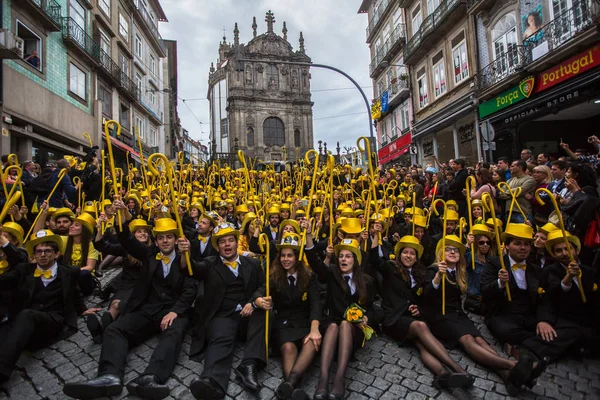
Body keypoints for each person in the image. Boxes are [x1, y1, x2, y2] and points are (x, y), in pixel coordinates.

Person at [63, 216, 198, 400]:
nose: (165, 241)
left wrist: (175, 311)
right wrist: (121, 215)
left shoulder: (186, 258)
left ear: (176, 239)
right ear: (156, 241)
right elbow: (127, 240)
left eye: (169, 237)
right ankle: (109, 376)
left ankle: (152, 377)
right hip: (147, 307)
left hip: (172, 309)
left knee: (174, 332)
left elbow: (191, 290)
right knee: (115, 330)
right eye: (161, 237)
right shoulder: (148, 253)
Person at [420, 234, 528, 395]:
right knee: (468, 340)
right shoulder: (433, 270)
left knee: (481, 340)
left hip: (458, 315)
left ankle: (506, 375)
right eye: (448, 249)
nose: (452, 252)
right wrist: (437, 277)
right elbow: (426, 296)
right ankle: (512, 365)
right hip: (440, 316)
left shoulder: (459, 272)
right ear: (441, 252)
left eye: (456, 250)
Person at [370, 233, 474, 389]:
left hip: (412, 317)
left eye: (412, 253)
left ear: (416, 257)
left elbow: (424, 297)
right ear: (399, 254)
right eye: (405, 252)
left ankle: (443, 376)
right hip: (394, 318)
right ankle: (458, 369)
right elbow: (375, 260)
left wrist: (418, 308)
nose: (408, 256)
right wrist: (376, 235)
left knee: (422, 345)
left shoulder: (421, 273)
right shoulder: (390, 267)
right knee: (421, 327)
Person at [187, 223, 268, 400]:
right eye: (222, 242)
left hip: (247, 315)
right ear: (217, 246)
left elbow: (263, 285)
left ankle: (249, 365)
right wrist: (184, 253)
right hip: (223, 315)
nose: (227, 245)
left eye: (231, 240)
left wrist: (255, 300)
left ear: (236, 242)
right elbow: (191, 269)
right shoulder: (209, 264)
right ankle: (212, 381)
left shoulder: (252, 263)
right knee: (220, 338)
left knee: (262, 314)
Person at [481, 223, 580, 365]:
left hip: (529, 316)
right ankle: (544, 345)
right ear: (507, 245)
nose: (523, 248)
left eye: (527, 244)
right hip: (504, 314)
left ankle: (527, 348)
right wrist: (500, 283)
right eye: (518, 243)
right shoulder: (495, 263)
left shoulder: (537, 270)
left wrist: (543, 320)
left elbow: (545, 298)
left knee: (570, 328)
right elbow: (485, 291)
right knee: (504, 330)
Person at [304, 222, 378, 400]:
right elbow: (315, 263)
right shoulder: (332, 273)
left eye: (348, 256)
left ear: (356, 260)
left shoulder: (366, 281)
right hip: (332, 322)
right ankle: (322, 381)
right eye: (341, 256)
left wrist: (367, 318)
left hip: (354, 330)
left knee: (345, 324)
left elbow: (373, 309)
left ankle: (339, 379)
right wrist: (308, 236)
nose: (343, 259)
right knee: (334, 326)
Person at [0, 230, 85, 382]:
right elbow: (13, 266)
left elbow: (75, 293)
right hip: (23, 323)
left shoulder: (69, 272)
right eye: (38, 252)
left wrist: (84, 310)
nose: (42, 255)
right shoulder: (24, 270)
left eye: (47, 251)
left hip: (51, 321)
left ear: (56, 253)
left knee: (27, 315)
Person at [268, 232, 322, 400]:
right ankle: (294, 389)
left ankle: (289, 385)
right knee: (288, 348)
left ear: (297, 257)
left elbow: (315, 303)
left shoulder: (309, 276)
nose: (285, 259)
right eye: (283, 255)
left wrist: (314, 329)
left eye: (289, 255)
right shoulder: (273, 276)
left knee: (312, 342)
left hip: (304, 322)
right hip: (283, 323)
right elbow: (263, 291)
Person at [544, 230, 599, 356]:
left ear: (577, 250)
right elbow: (552, 297)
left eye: (568, 249)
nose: (564, 253)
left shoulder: (590, 272)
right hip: (566, 321)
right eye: (559, 250)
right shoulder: (549, 272)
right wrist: (568, 278)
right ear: (554, 255)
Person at [464, 225, 496, 314]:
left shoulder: (492, 259)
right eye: (481, 242)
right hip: (474, 300)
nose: (485, 245)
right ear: (476, 244)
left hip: (488, 301)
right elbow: (462, 263)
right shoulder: (471, 257)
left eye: (488, 242)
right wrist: (468, 245)